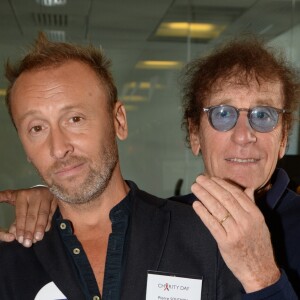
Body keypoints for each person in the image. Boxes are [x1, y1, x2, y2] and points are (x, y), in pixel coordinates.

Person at [0, 35, 298, 299]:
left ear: (119, 121)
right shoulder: (13, 257)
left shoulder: (205, 241)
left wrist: (261, 274)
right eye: (37, 128)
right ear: (194, 136)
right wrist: (46, 196)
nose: (58, 147)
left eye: (75, 119)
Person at [178, 37, 300, 298]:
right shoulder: (159, 225)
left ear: (284, 138)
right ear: (195, 133)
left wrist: (262, 274)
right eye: (222, 114)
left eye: (263, 115)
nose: (244, 135)